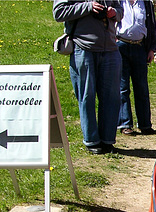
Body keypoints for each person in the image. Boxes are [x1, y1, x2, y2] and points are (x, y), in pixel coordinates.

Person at [53, 0, 124, 155]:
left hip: (110, 49)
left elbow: (120, 10)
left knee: (112, 98)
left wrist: (114, 13)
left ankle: (107, 140)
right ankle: (92, 140)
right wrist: (87, 7)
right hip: (84, 48)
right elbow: (58, 12)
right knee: (87, 96)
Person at [116, 0, 156, 136]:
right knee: (123, 87)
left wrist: (151, 48)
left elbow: (151, 26)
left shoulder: (145, 3)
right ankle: (125, 123)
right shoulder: (119, 2)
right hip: (121, 45)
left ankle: (145, 124)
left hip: (140, 47)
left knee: (142, 87)